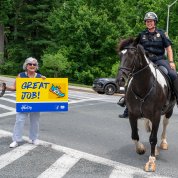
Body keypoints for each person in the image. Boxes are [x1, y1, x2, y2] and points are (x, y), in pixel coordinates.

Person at [118, 12, 178, 117]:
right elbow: (135, 47)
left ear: (155, 22)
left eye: (151, 21)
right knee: (132, 77)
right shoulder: (142, 35)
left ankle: (176, 98)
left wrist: (171, 61)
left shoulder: (162, 34)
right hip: (146, 61)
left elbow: (168, 48)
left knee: (173, 75)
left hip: (159, 60)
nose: (149, 23)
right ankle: (127, 105)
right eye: (147, 21)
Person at [6, 57, 46, 148]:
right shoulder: (21, 75)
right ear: (26, 66)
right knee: (19, 120)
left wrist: (46, 80)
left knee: (35, 121)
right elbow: (15, 88)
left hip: (36, 103)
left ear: (36, 66)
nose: (32, 66)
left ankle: (34, 138)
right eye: (30, 64)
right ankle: (16, 140)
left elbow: (46, 89)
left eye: (34, 64)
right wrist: (5, 88)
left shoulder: (40, 77)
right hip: (23, 103)